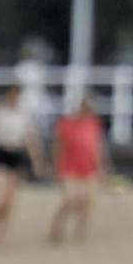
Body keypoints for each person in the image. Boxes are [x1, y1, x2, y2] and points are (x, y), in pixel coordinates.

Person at [0, 85, 45, 246]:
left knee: (10, 202)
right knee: (0, 199)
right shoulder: (0, 112)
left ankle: (2, 235)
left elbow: (30, 140)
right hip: (0, 155)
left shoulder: (23, 116)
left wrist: (37, 161)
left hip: (16, 155)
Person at [47, 98, 106, 244]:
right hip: (69, 167)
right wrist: (56, 167)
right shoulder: (67, 124)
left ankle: (80, 231)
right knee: (69, 199)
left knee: (87, 200)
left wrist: (101, 166)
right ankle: (57, 227)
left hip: (88, 167)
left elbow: (97, 147)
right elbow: (59, 147)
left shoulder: (93, 124)